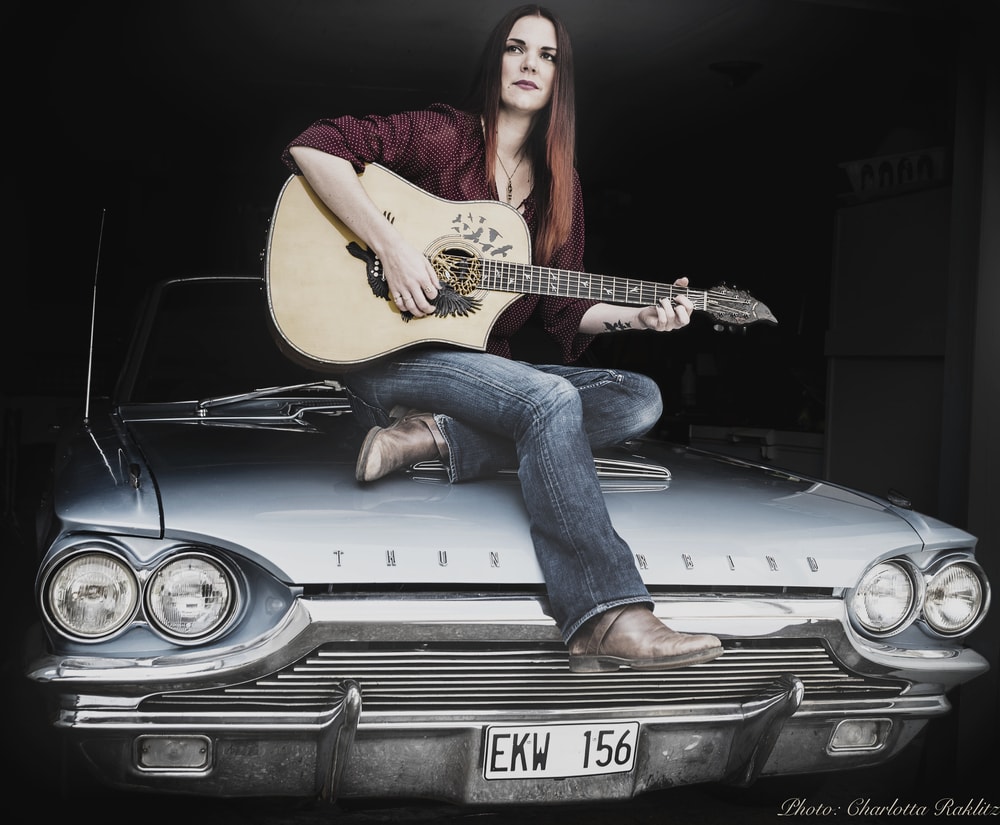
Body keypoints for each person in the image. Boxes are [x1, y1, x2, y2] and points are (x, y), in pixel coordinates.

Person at [281, 4, 723, 673]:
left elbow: (564, 312)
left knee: (638, 399)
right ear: (497, 61)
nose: (529, 64)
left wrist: (640, 317)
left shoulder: (559, 188)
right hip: (391, 355)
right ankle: (606, 613)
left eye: (547, 56)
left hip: (481, 374)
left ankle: (435, 437)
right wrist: (393, 250)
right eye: (517, 48)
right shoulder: (443, 137)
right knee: (549, 400)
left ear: (559, 80)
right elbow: (313, 146)